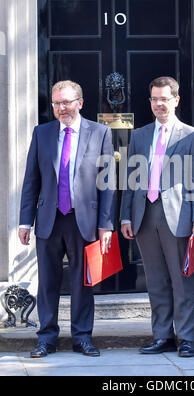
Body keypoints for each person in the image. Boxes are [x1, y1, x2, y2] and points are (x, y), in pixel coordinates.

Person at [18, 80, 115, 358]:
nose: (62, 108)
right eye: (57, 103)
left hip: (83, 220)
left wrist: (106, 224)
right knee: (47, 281)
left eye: (67, 102)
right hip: (49, 218)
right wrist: (25, 221)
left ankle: (82, 337)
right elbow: (31, 181)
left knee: (82, 282)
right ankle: (46, 338)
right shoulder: (42, 133)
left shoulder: (100, 133)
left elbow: (107, 183)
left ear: (80, 103)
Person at [120, 76, 194, 357]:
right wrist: (125, 217)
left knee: (182, 281)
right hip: (145, 216)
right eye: (155, 99)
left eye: (164, 99)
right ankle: (162, 336)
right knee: (155, 280)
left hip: (179, 216)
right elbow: (131, 181)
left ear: (176, 100)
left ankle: (186, 339)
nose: (159, 104)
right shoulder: (140, 135)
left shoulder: (192, 135)